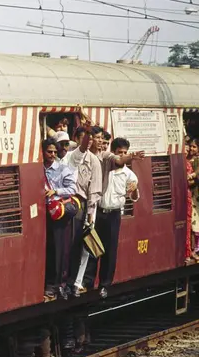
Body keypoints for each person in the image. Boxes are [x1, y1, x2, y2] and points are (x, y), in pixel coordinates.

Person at [85, 138, 141, 298]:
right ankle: (87, 282)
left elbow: (135, 197)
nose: (122, 156)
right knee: (92, 247)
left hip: (114, 214)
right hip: (98, 212)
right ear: (113, 153)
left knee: (109, 251)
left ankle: (104, 285)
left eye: (125, 153)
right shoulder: (104, 167)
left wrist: (135, 190)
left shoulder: (130, 175)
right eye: (119, 153)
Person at [61, 127, 102, 297]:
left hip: (81, 205)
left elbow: (94, 189)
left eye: (91, 138)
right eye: (86, 138)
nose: (89, 141)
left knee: (78, 246)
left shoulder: (94, 161)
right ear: (77, 138)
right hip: (64, 203)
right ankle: (64, 283)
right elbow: (81, 149)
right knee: (65, 246)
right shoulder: (70, 155)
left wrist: (91, 214)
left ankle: (73, 283)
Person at [43, 138, 77, 300]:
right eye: (49, 151)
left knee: (58, 250)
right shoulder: (39, 169)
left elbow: (72, 188)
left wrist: (55, 191)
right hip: (43, 214)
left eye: (55, 152)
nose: (52, 155)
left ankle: (57, 285)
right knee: (47, 249)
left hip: (58, 214)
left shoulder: (63, 169)